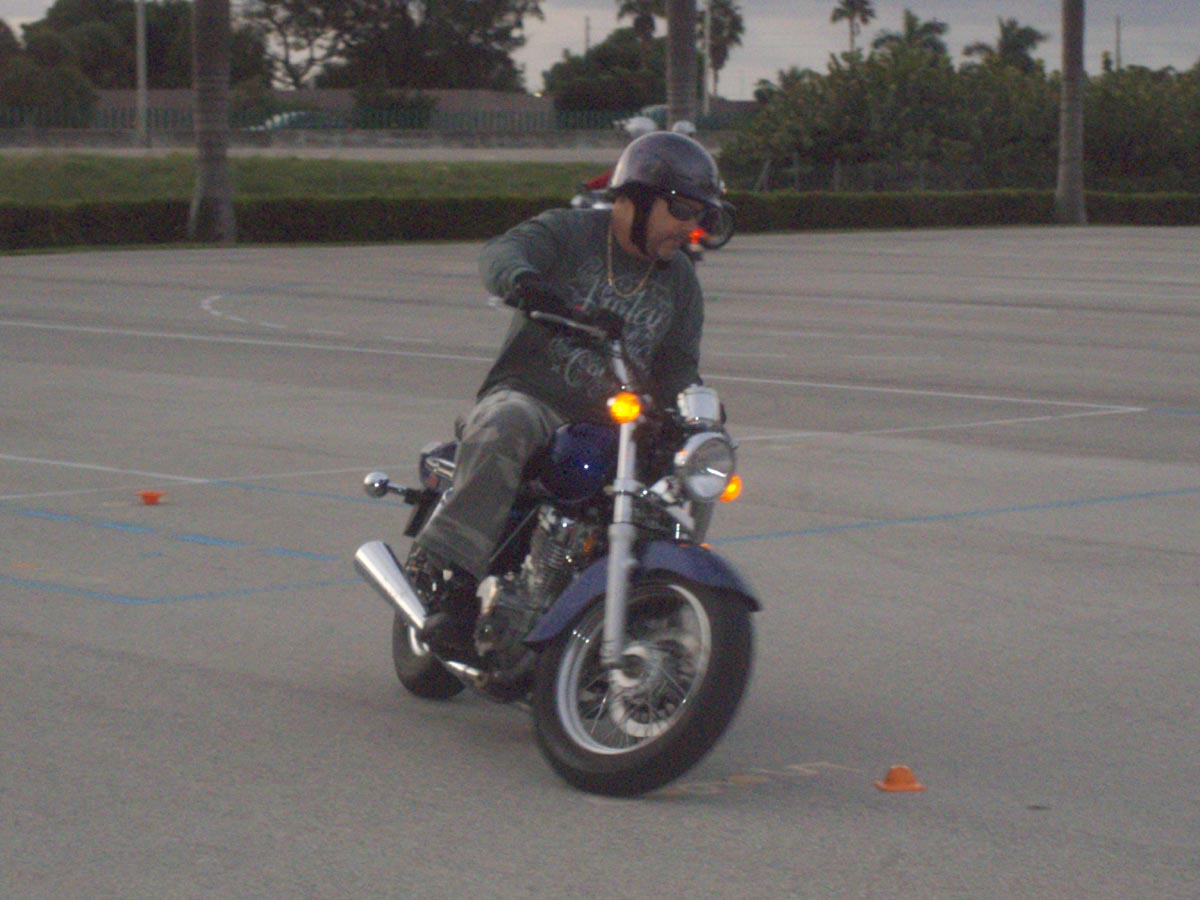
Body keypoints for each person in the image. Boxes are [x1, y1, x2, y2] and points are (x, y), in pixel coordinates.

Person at [408, 131, 725, 645]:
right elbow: (502, 253)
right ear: (636, 199)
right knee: (506, 422)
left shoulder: (681, 281)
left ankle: (653, 602)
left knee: (700, 461)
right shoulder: (570, 232)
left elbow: (678, 367)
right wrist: (525, 282)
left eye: (701, 215)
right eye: (682, 210)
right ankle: (454, 583)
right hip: (534, 397)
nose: (691, 227)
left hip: (614, 422)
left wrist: (696, 414)